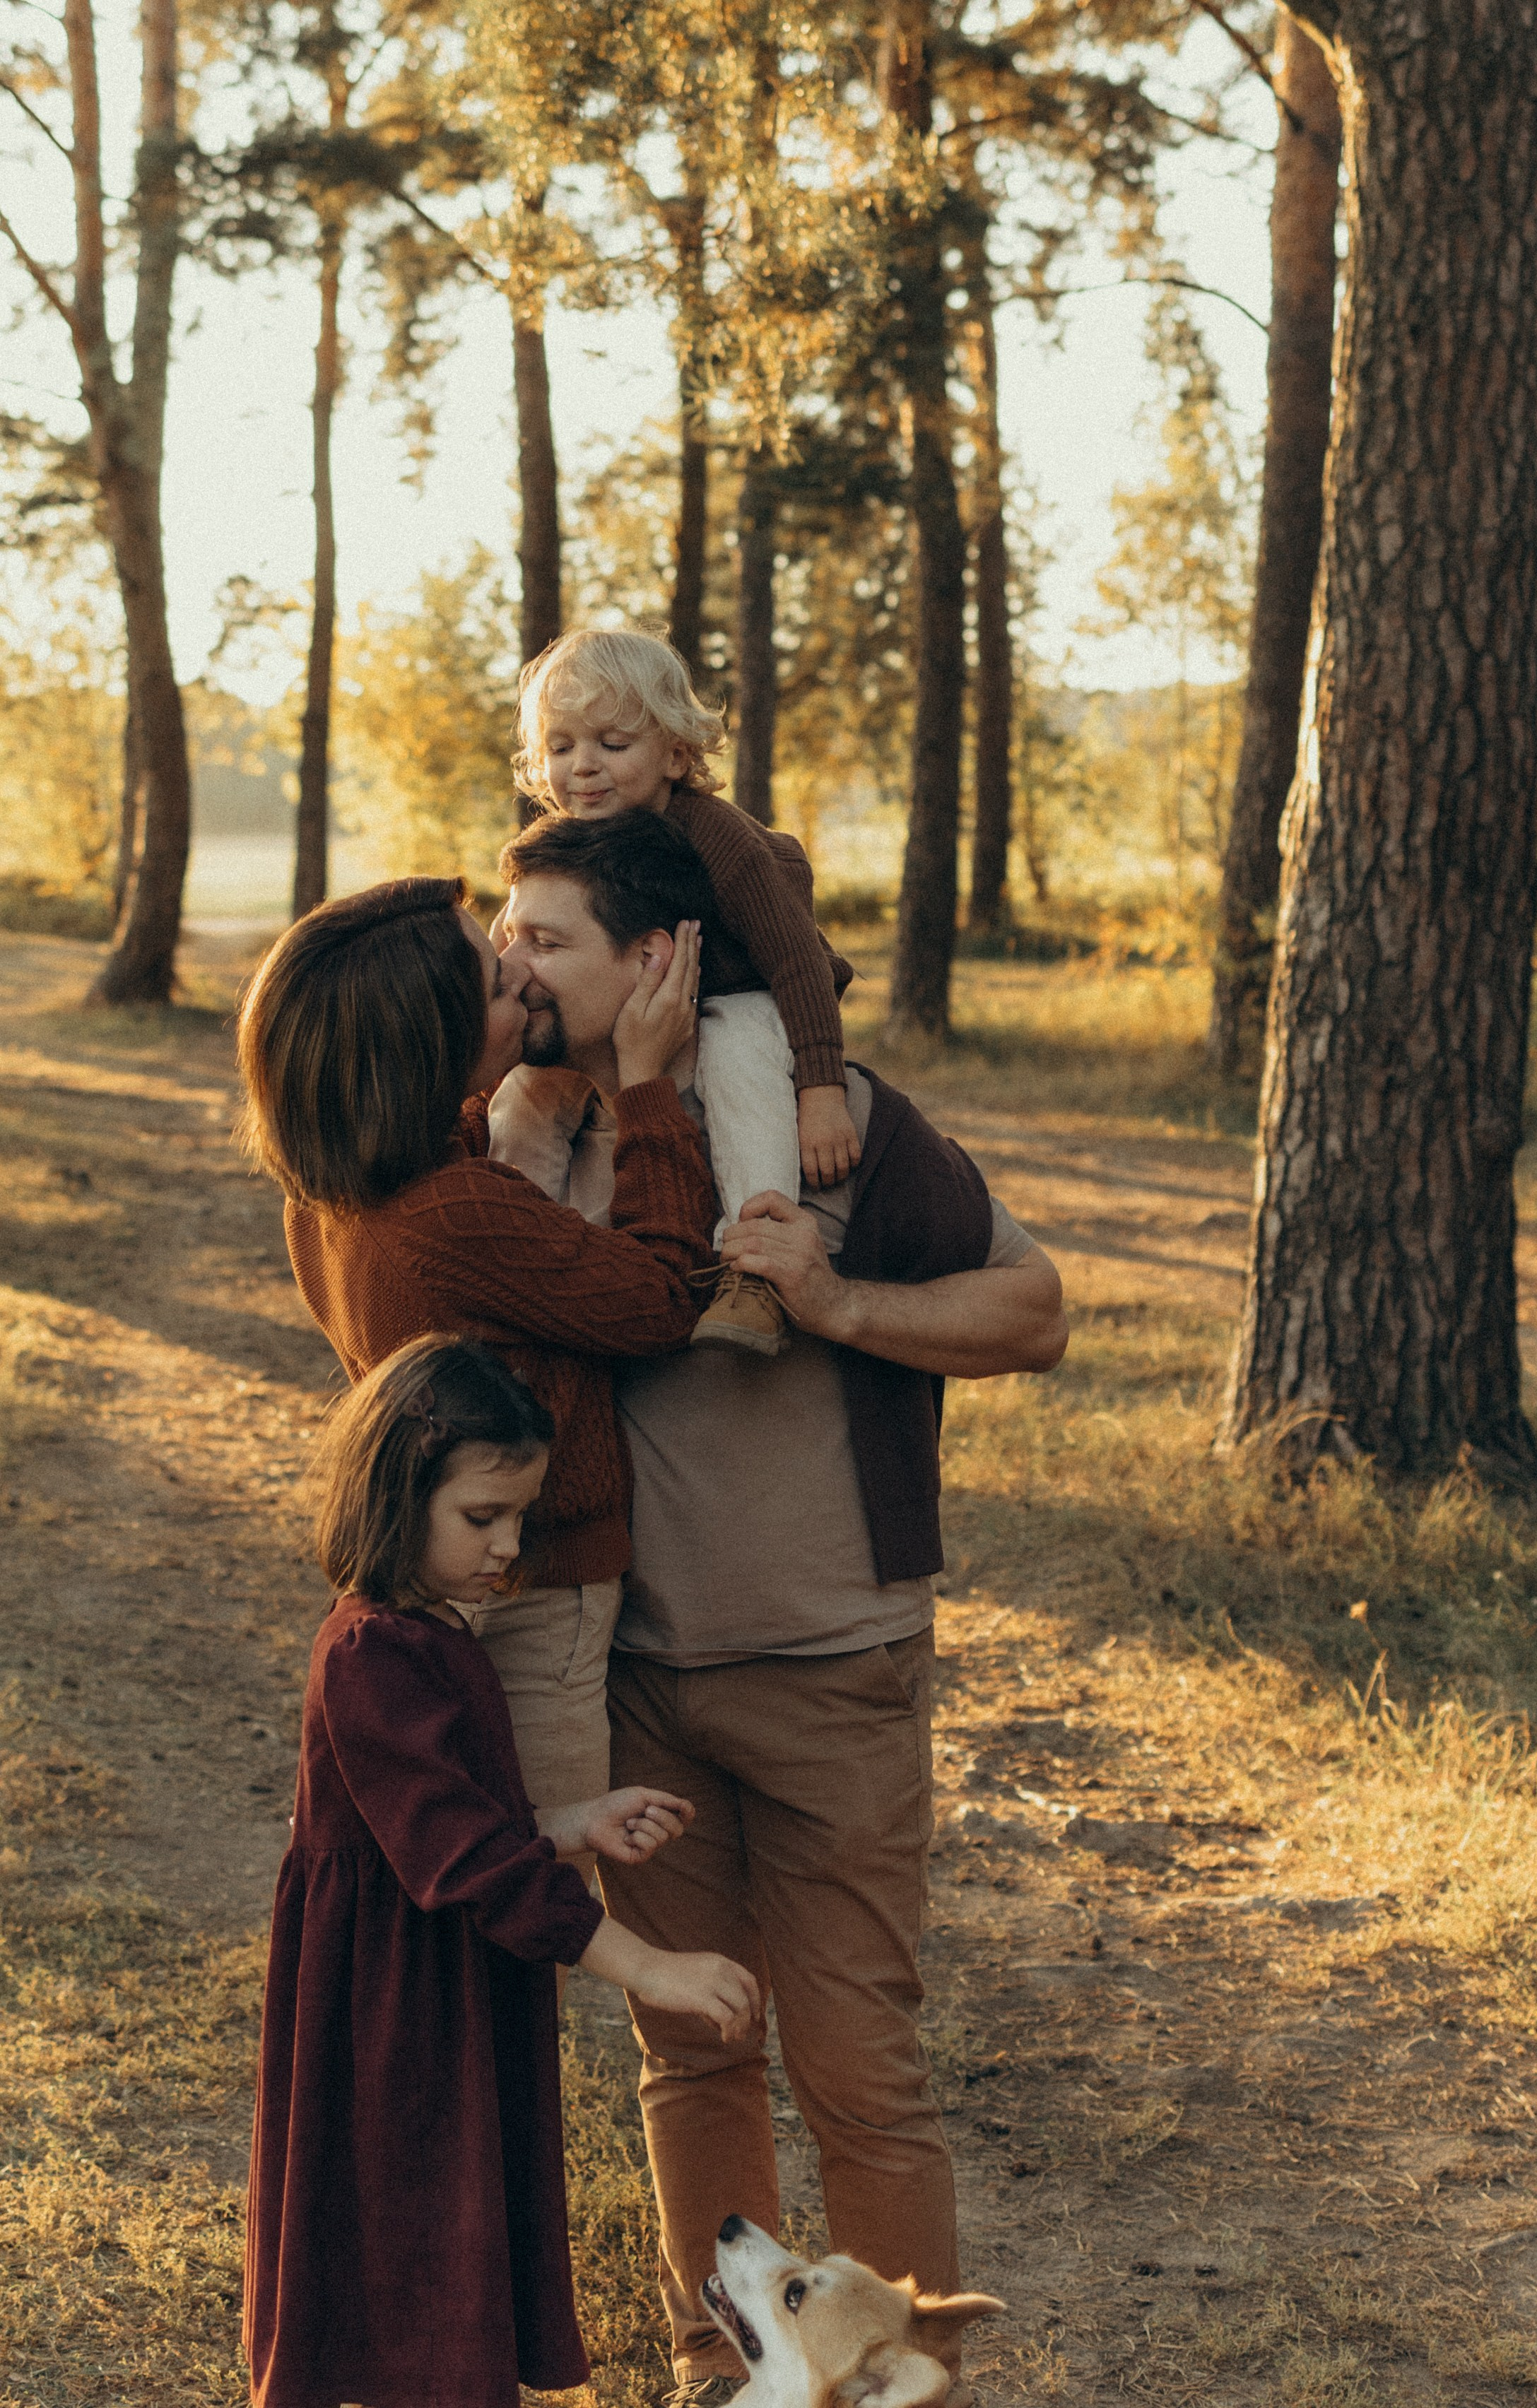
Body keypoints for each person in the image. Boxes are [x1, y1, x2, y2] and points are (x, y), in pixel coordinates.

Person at [490, 810, 1071, 2408]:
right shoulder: (524, 1140)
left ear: (657, 956)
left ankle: (898, 2384)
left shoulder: (835, 1127)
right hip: (636, 1682)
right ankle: (721, 2372)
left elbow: (1032, 1309)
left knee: (858, 2073)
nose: (509, 961)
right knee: (687, 2047)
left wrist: (836, 1302)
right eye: (505, 930)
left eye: (544, 936)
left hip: (834, 1670)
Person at [245, 1335, 760, 2408]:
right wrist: (649, 1967)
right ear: (396, 1491)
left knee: (450, 2219)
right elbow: (469, 1862)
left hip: (449, 1980)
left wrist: (575, 1822)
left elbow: (452, 1821)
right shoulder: (368, 1655)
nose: (507, 1546)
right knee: (407, 2233)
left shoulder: (435, 1633)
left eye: (519, 1518)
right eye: (483, 1518)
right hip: (391, 2011)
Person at [235, 873, 715, 1843]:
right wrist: (648, 1090)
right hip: (536, 1593)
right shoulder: (455, 1215)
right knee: (529, 1882)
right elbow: (663, 1294)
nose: (525, 984)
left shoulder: (329, 1199)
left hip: (417, 1572)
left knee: (443, 1862)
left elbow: (453, 1177)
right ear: (435, 1046)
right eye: (499, 987)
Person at [507, 626, 857, 1358]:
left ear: (674, 753)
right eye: (561, 745)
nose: (583, 767)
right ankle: (519, 1241)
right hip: (630, 1005)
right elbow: (519, 930)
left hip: (739, 989)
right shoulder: (569, 839)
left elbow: (794, 958)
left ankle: (756, 1265)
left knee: (738, 1062)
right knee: (525, 1091)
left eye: (612, 742)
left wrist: (821, 1087)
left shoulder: (717, 837)